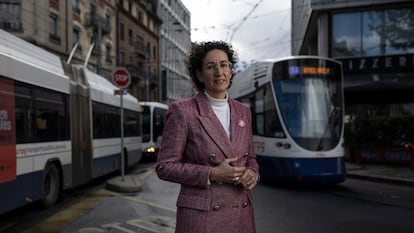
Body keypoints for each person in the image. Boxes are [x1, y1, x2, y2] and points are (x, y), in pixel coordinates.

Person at [155, 41, 259, 233]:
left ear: (230, 70)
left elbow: (250, 157)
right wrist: (211, 174)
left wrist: (253, 173)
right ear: (200, 75)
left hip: (241, 214)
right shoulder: (183, 111)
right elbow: (164, 167)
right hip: (203, 218)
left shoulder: (243, 111)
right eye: (211, 67)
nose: (219, 72)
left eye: (224, 65)